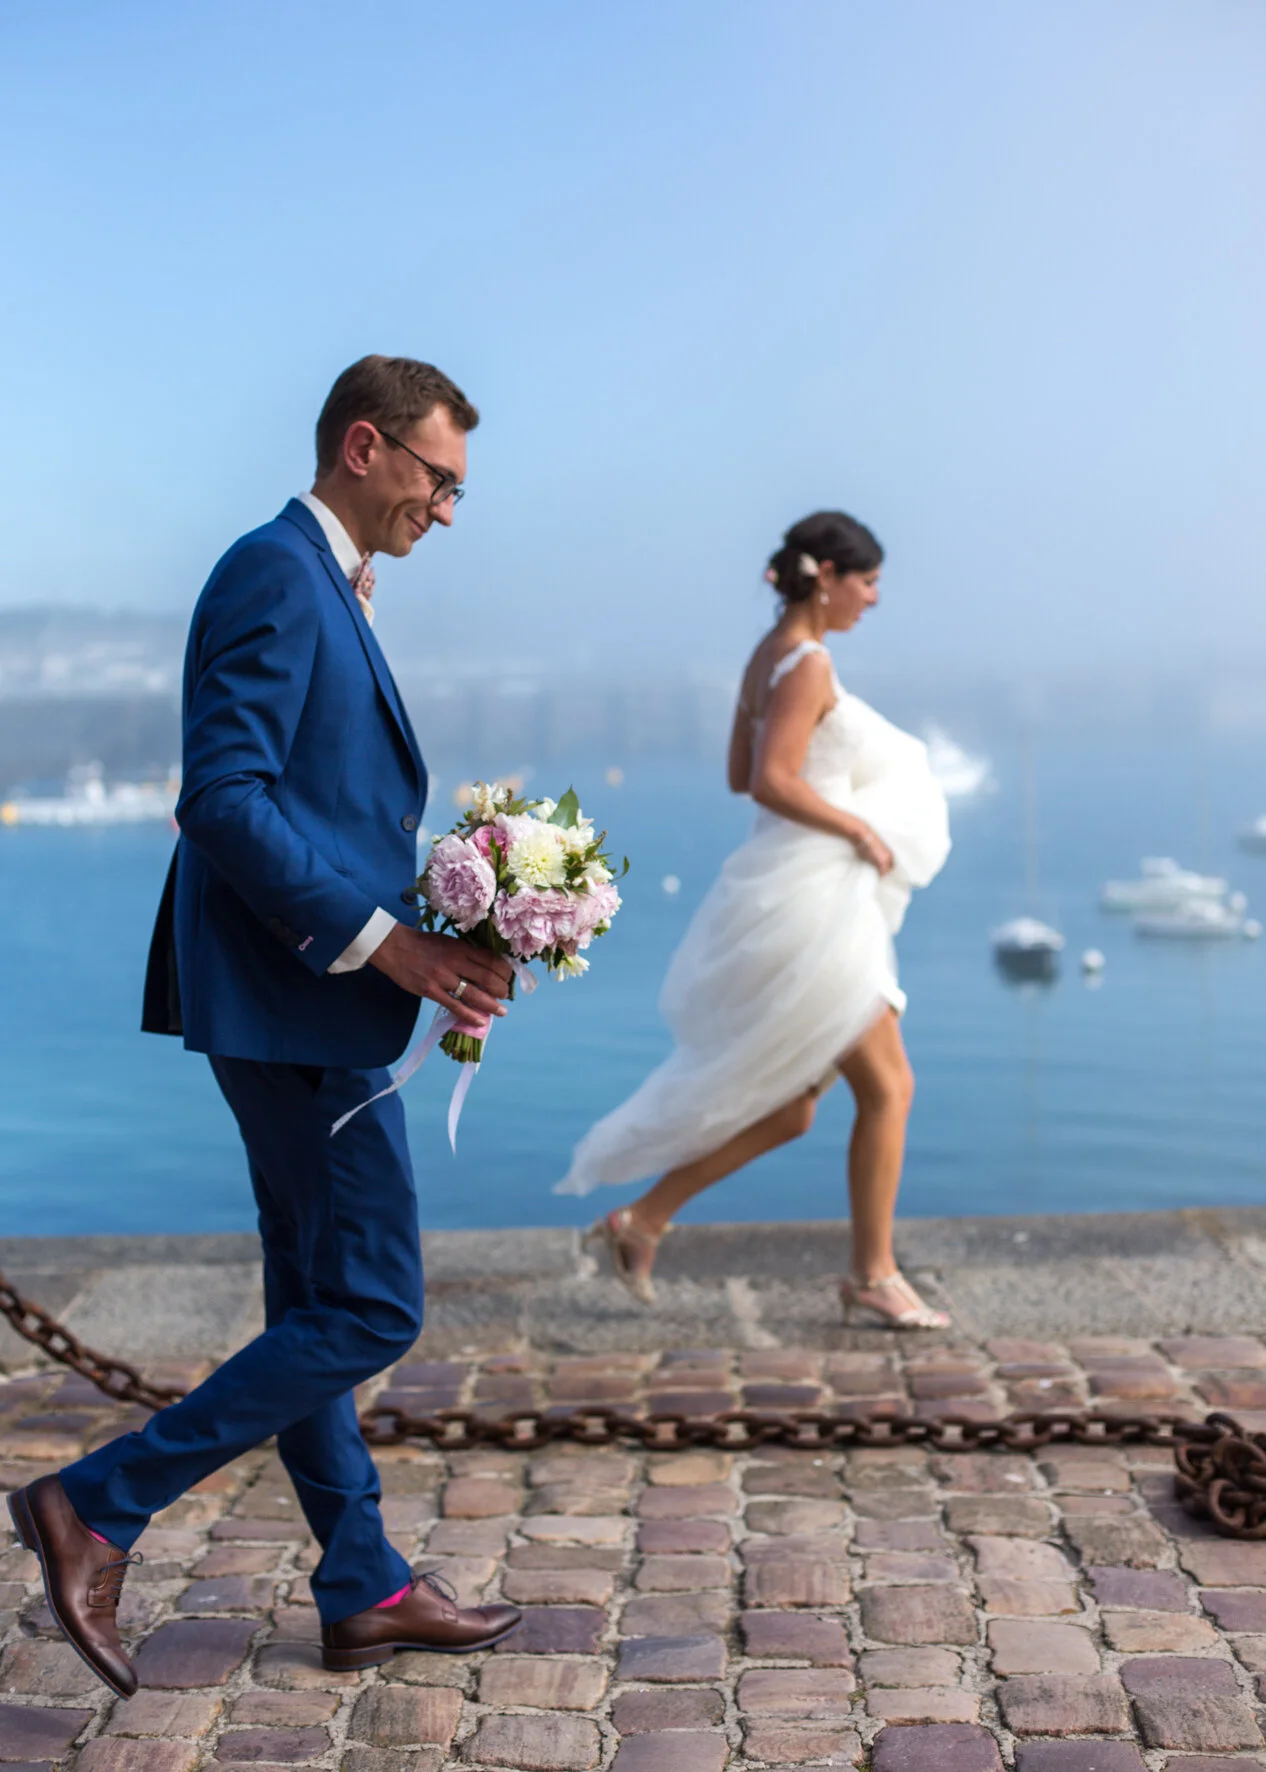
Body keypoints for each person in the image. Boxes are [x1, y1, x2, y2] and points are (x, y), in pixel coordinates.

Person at [6, 356, 523, 1699]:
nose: (448, 512)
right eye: (437, 479)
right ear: (366, 445)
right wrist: (388, 945)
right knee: (371, 1302)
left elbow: (321, 808)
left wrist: (459, 909)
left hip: (298, 998)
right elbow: (225, 801)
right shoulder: (274, 571)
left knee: (313, 1297)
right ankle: (95, 1506)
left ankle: (362, 1589)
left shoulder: (329, 584)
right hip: (297, 1005)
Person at [559, 511, 952, 1328]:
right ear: (830, 576)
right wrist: (858, 825)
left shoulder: (766, 657)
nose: (874, 599)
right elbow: (771, 780)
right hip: (816, 908)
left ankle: (640, 1222)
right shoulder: (807, 662)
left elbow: (741, 774)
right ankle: (874, 1274)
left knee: (791, 1106)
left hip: (791, 890)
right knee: (891, 1088)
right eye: (869, 581)